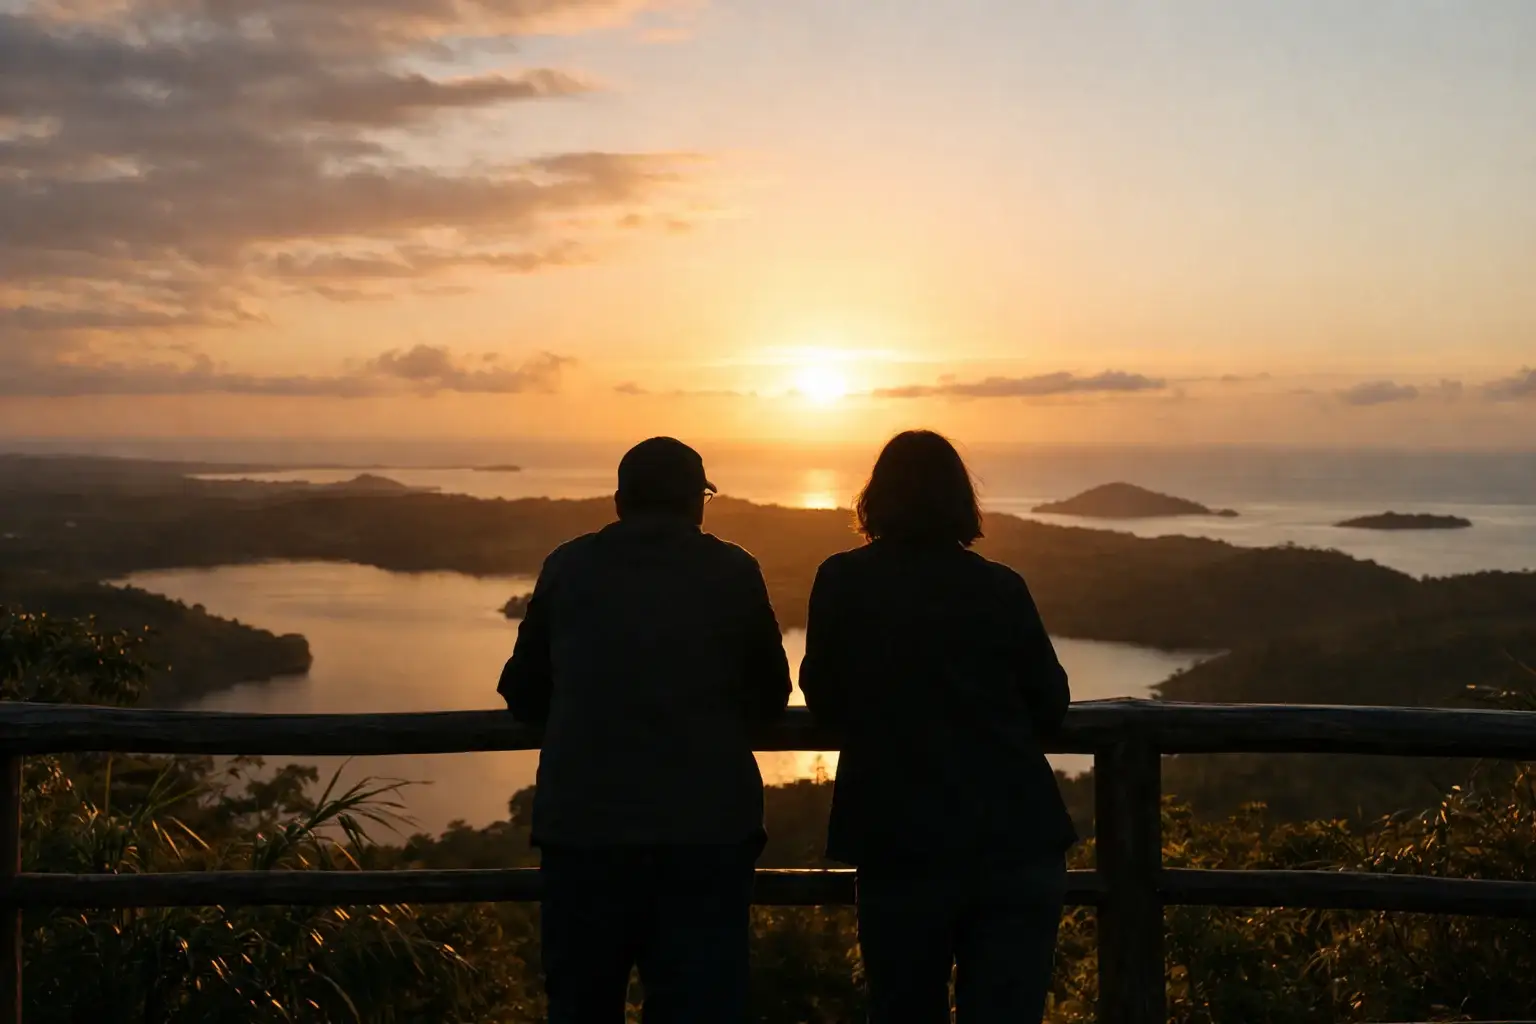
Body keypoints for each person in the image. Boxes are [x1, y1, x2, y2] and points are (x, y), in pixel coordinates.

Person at [498, 436, 792, 1023]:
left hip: (585, 832)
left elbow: (523, 691)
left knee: (582, 1006)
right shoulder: (733, 569)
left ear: (618, 501)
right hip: (707, 835)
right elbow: (770, 697)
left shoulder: (569, 565)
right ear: (697, 502)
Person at [799, 430, 1075, 1023]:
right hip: (1015, 836)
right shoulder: (1001, 587)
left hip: (899, 838)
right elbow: (1049, 704)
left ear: (876, 498)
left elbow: (824, 696)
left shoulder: (844, 581)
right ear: (960, 500)